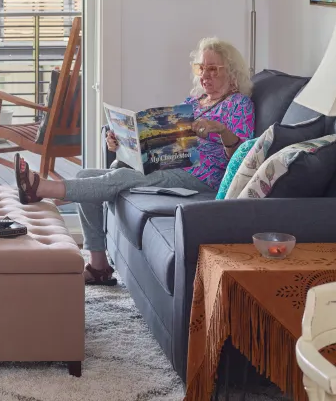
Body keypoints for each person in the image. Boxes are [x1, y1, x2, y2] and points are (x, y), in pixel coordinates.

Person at [15, 37, 255, 285]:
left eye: (213, 69)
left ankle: (43, 188)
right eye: (201, 68)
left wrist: (221, 130)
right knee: (84, 176)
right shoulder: (194, 102)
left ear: (232, 72)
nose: (205, 75)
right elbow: (166, 139)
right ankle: (99, 266)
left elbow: (240, 158)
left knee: (121, 177)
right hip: (171, 160)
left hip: (202, 176)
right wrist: (120, 140)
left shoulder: (239, 105)